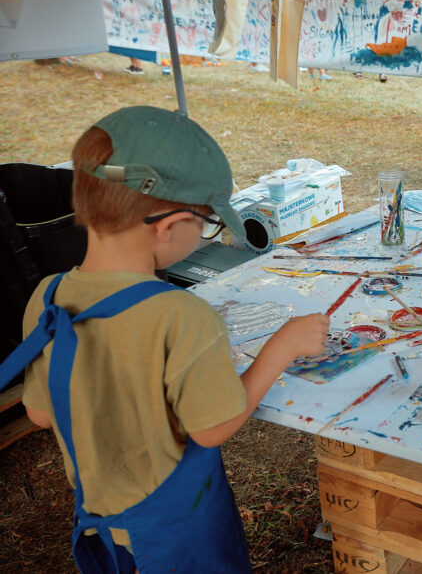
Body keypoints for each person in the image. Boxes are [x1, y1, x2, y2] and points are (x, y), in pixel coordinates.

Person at [6, 106, 329, 570]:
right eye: (207, 223)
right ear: (169, 226)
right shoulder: (180, 313)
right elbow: (211, 427)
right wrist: (283, 347)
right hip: (182, 535)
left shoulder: (47, 295)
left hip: (104, 530)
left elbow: (39, 412)